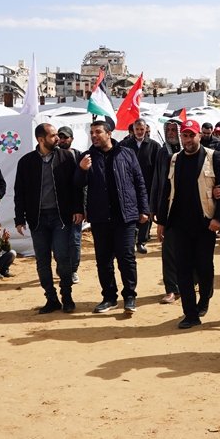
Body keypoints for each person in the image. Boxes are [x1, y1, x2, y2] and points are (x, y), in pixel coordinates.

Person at [155, 120, 220, 329]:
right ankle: (190, 313)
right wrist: (161, 221)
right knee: (183, 269)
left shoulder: (213, 157)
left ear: (199, 136)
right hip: (179, 224)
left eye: (191, 135)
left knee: (204, 267)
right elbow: (167, 192)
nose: (187, 140)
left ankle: (204, 298)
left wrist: (218, 219)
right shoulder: (174, 160)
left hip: (205, 224)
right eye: (184, 136)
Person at [77, 120, 151, 315]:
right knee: (103, 260)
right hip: (100, 217)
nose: (94, 136)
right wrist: (82, 169)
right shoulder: (87, 157)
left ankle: (130, 296)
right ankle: (109, 297)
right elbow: (77, 185)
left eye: (98, 132)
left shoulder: (126, 153)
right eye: (91, 132)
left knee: (126, 258)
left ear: (109, 134)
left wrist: (144, 209)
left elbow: (139, 182)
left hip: (124, 216)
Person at [14, 122, 84, 314]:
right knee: (42, 261)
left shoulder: (66, 157)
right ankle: (51, 299)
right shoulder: (26, 162)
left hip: (60, 218)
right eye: (53, 136)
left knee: (63, 257)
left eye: (57, 136)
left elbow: (75, 186)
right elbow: (19, 191)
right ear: (41, 139)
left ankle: (67, 296)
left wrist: (79, 209)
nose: (58, 139)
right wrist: (19, 218)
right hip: (37, 220)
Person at [151, 118, 184, 304]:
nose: (171, 133)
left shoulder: (190, 150)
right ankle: (172, 289)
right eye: (169, 129)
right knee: (169, 250)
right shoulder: (163, 153)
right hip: (168, 208)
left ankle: (188, 283)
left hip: (190, 208)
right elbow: (157, 180)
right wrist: (154, 207)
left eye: (174, 129)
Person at [121, 118, 161, 254]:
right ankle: (131, 241)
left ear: (146, 130)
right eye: (137, 129)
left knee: (145, 213)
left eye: (142, 129)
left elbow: (158, 167)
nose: (139, 132)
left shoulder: (154, 146)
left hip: (148, 185)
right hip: (129, 186)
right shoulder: (124, 145)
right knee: (131, 213)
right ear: (133, 129)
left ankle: (141, 241)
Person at [56, 125, 83, 284]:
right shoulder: (52, 156)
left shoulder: (79, 156)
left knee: (74, 240)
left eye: (65, 137)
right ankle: (61, 267)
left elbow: (82, 185)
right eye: (60, 137)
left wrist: (82, 208)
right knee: (58, 242)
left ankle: (73, 270)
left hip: (75, 208)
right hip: (57, 208)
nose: (63, 140)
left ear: (71, 139)